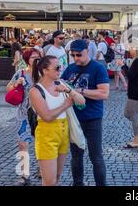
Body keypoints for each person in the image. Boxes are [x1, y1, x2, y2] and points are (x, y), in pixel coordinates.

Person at [29, 55, 85, 186]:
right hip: (46, 135)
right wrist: (65, 105)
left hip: (63, 133)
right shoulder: (35, 91)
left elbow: (82, 101)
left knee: (57, 177)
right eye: (57, 67)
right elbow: (47, 116)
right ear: (44, 70)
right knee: (49, 181)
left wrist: (68, 90)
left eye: (61, 67)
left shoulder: (61, 84)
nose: (60, 70)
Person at [61, 39, 110, 186]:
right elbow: (61, 84)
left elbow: (104, 94)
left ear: (87, 51)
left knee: (96, 157)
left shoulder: (98, 68)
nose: (76, 58)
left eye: (79, 55)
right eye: (73, 55)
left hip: (92, 118)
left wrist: (78, 91)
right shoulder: (70, 68)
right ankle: (78, 184)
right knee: (76, 156)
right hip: (74, 119)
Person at [6, 49, 41, 186]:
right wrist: (16, 84)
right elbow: (8, 88)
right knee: (22, 144)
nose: (37, 59)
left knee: (41, 144)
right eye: (33, 57)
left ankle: (41, 168)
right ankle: (24, 175)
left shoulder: (44, 73)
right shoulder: (20, 73)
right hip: (24, 115)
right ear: (27, 59)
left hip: (41, 115)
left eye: (38, 57)